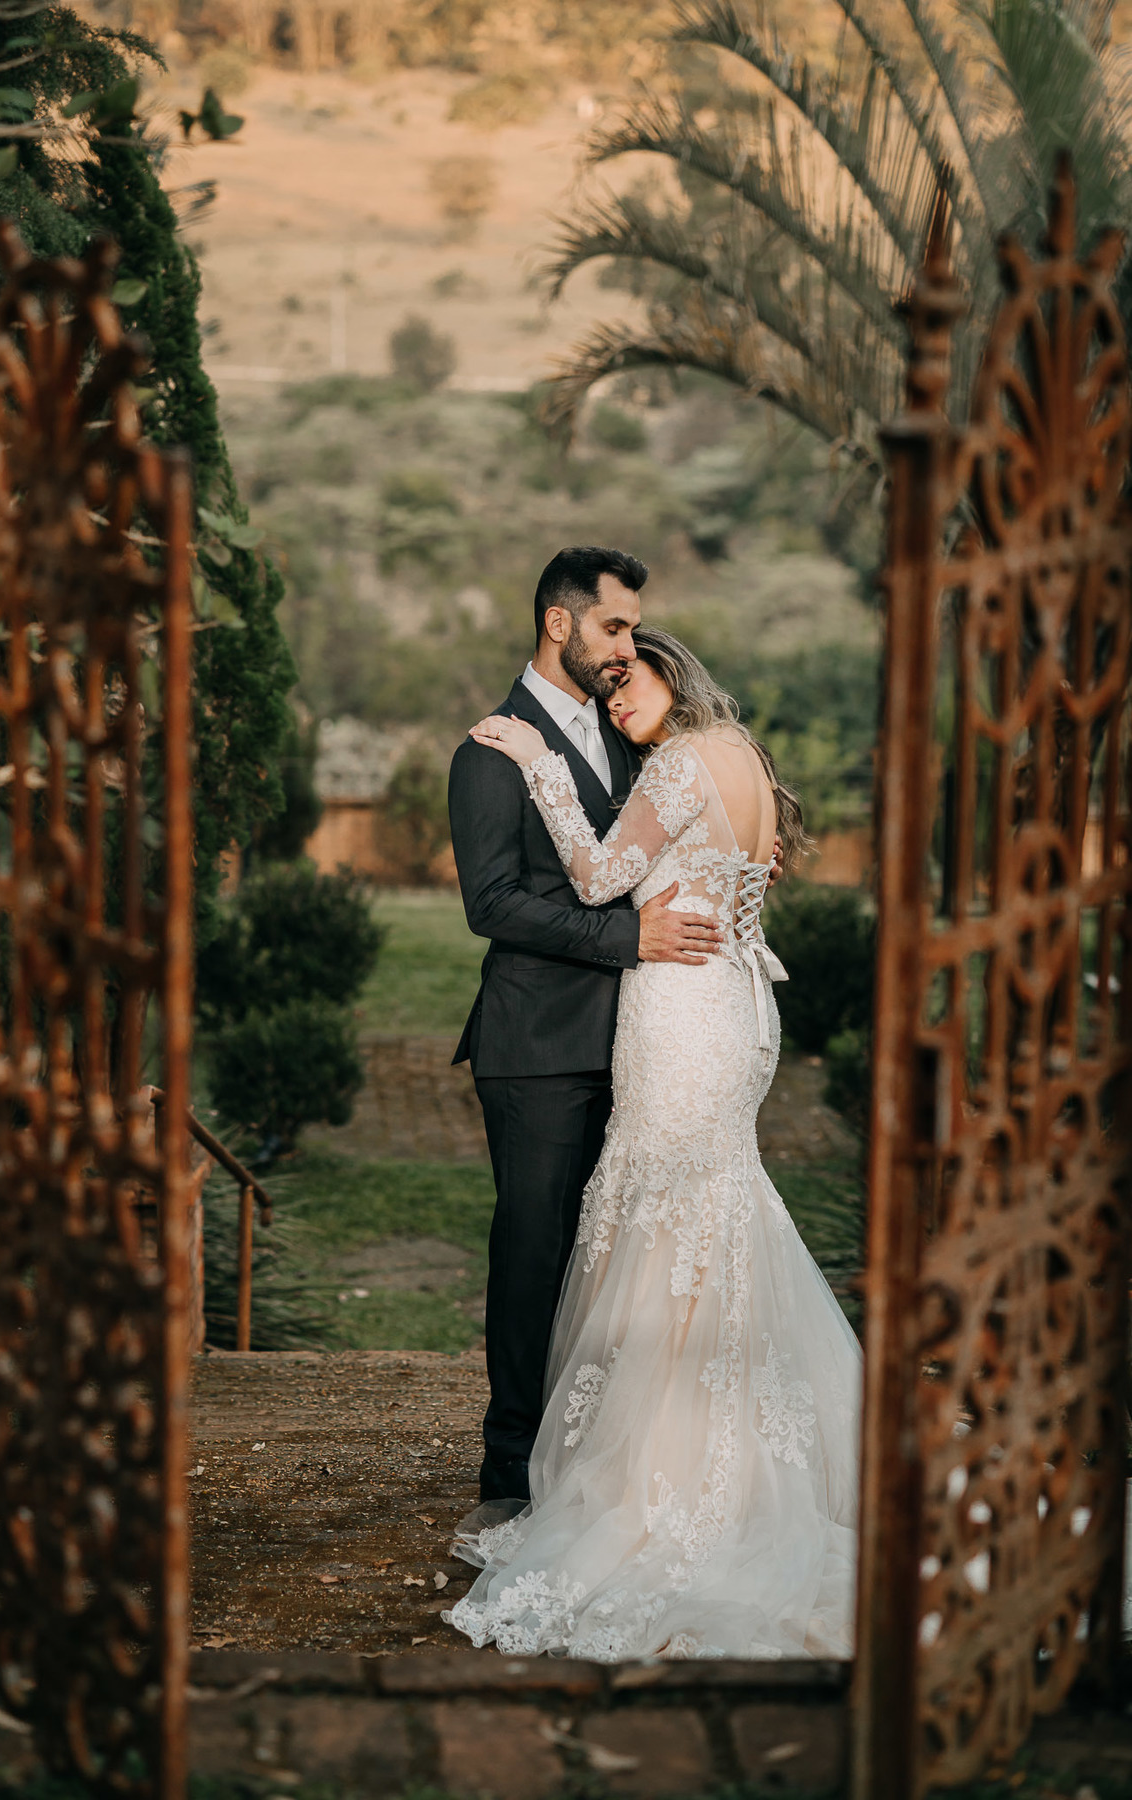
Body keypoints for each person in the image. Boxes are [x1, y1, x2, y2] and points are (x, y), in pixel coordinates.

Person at [444, 625, 862, 1661]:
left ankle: (672, 1479)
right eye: (609, 678)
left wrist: (539, 763)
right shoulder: (747, 758)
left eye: (635, 674)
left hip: (681, 1012)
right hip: (732, 1007)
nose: (618, 689)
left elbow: (592, 880)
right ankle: (726, 1456)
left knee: (667, 1222)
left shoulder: (680, 762)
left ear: (676, 676)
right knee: (709, 1215)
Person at [448, 548, 739, 1508]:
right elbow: (492, 904)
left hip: (650, 1045)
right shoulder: (492, 747)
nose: (626, 650)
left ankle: (603, 1456)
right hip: (537, 1049)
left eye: (631, 633)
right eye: (613, 626)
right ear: (559, 623)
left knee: (616, 1259)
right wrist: (631, 936)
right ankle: (510, 1471)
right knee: (536, 1253)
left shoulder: (638, 736)